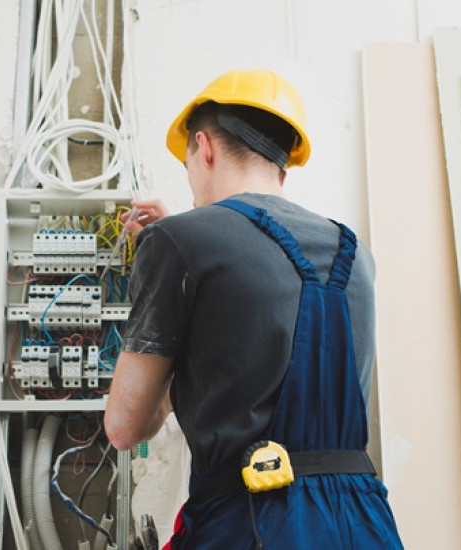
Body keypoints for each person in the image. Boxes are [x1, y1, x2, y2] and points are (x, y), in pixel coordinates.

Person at [105, 69, 403, 549]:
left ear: (204, 148)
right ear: (283, 166)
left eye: (189, 170)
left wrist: (168, 259)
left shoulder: (176, 242)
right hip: (364, 526)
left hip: (250, 524)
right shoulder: (357, 254)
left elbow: (125, 427)